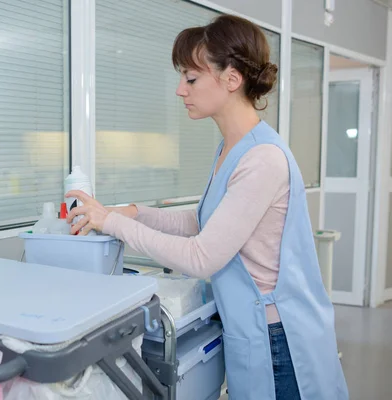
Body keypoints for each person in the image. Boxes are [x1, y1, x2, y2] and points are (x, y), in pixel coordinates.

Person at [66, 14, 349, 400]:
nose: (180, 90)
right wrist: (133, 212)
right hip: (250, 325)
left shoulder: (262, 159)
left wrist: (113, 223)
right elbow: (201, 221)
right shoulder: (231, 148)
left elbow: (202, 257)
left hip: (277, 338)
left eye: (191, 78)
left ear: (232, 79)